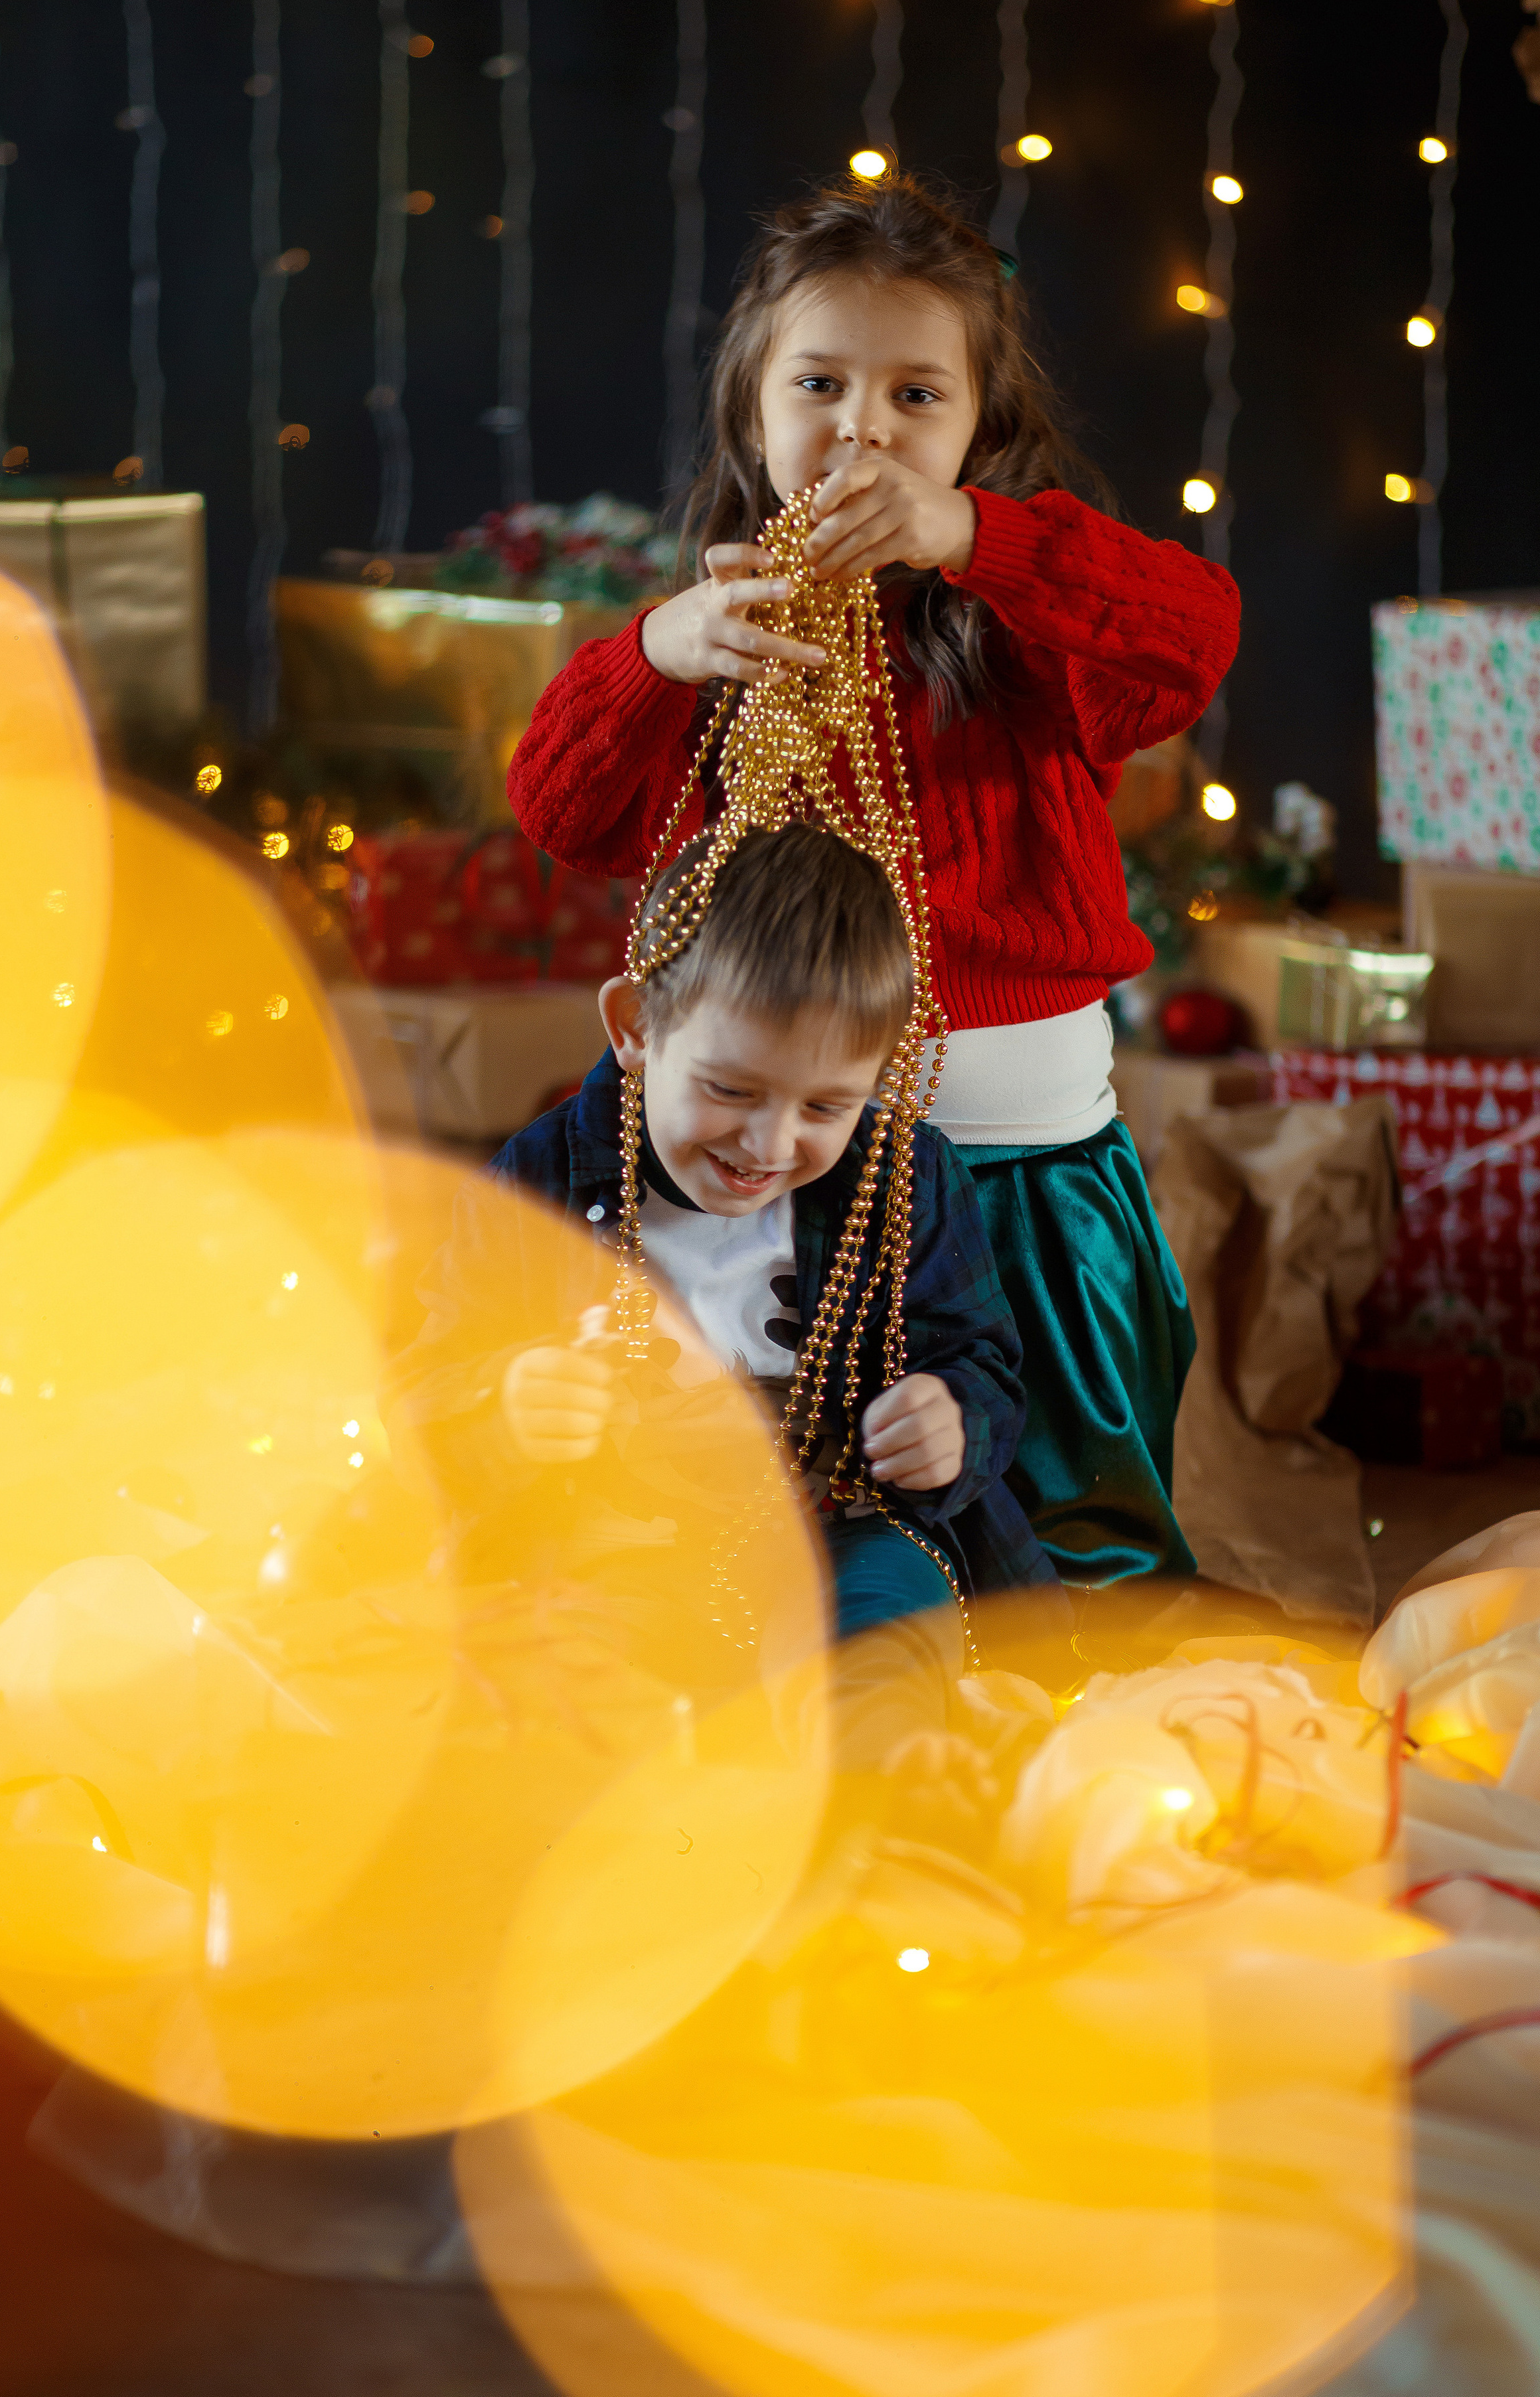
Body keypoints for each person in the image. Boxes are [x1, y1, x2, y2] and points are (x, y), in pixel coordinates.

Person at [506, 172, 1241, 1594]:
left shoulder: (1022, 623)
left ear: (977, 429)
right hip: (787, 1182)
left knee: (1063, 1549)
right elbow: (560, 808)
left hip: (1019, 1171)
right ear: (751, 411)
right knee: (831, 1516)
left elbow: (1193, 638)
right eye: (820, 383)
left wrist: (978, 541)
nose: (861, 426)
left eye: (917, 396)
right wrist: (660, 651)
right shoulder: (714, 638)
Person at [391, 823, 1049, 1752]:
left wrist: (951, 1420)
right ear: (636, 1030)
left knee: (891, 1623)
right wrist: (504, 1400)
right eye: (731, 1091)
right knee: (574, 1658)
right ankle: (656, 1800)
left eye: (825, 1106)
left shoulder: (901, 1178)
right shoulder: (538, 1177)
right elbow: (424, 1384)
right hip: (617, 1532)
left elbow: (978, 1357)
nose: (770, 1146)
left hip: (838, 1521)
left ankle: (877, 1790)